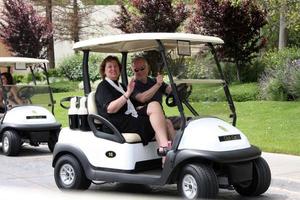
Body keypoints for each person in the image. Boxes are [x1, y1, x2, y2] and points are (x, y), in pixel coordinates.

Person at [95, 56, 170, 165]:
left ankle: (167, 153)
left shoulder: (120, 85)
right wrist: (127, 93)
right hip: (116, 123)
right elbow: (110, 109)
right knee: (164, 124)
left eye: (115, 66)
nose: (113, 69)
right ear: (104, 71)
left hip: (128, 119)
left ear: (120, 69)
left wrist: (136, 107)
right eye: (109, 67)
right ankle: (167, 153)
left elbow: (129, 105)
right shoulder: (103, 86)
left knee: (156, 108)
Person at [131, 56, 176, 140]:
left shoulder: (154, 81)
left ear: (148, 67)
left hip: (162, 116)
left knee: (188, 121)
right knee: (168, 123)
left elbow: (169, 90)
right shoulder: (132, 85)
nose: (140, 72)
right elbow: (142, 98)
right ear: (133, 70)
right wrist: (158, 85)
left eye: (142, 68)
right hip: (146, 120)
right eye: (136, 70)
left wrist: (179, 88)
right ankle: (173, 151)